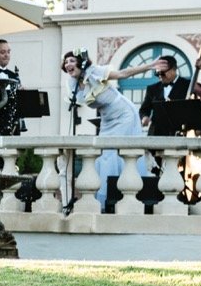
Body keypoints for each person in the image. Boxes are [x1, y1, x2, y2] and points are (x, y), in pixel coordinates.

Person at [62, 51, 157, 211]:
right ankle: (107, 198)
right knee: (104, 155)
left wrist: (149, 65)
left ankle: (124, 196)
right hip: (106, 119)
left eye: (72, 61)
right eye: (65, 62)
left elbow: (122, 74)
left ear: (80, 63)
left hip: (124, 113)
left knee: (113, 154)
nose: (68, 64)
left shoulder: (95, 72)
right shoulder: (72, 84)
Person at [139, 55, 191, 134]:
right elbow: (144, 110)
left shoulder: (188, 85)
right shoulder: (152, 89)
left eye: (162, 73)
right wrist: (144, 117)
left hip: (179, 133)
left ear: (174, 69)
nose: (160, 76)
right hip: (155, 134)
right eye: (157, 74)